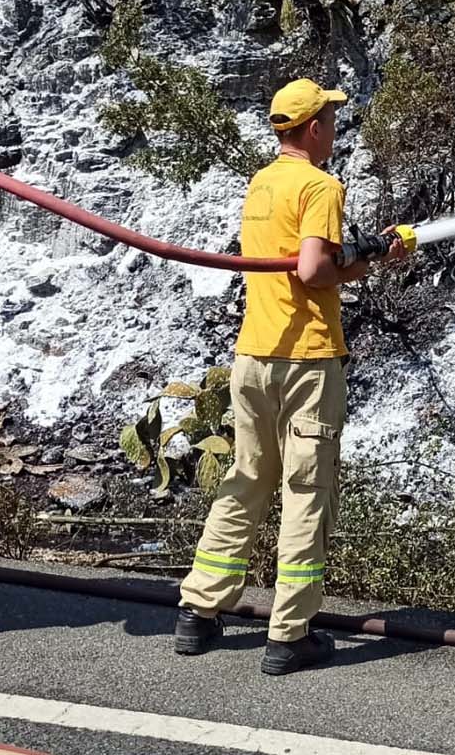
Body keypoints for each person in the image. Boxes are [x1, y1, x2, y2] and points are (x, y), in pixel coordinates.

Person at [174, 78, 407, 675]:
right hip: (307, 359)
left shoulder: (263, 182)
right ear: (314, 129)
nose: (335, 129)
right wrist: (374, 257)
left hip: (254, 354)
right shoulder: (320, 185)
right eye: (331, 120)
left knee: (247, 478)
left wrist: (360, 256)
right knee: (306, 492)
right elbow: (312, 271)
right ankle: (289, 634)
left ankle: (198, 611)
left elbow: (300, 265)